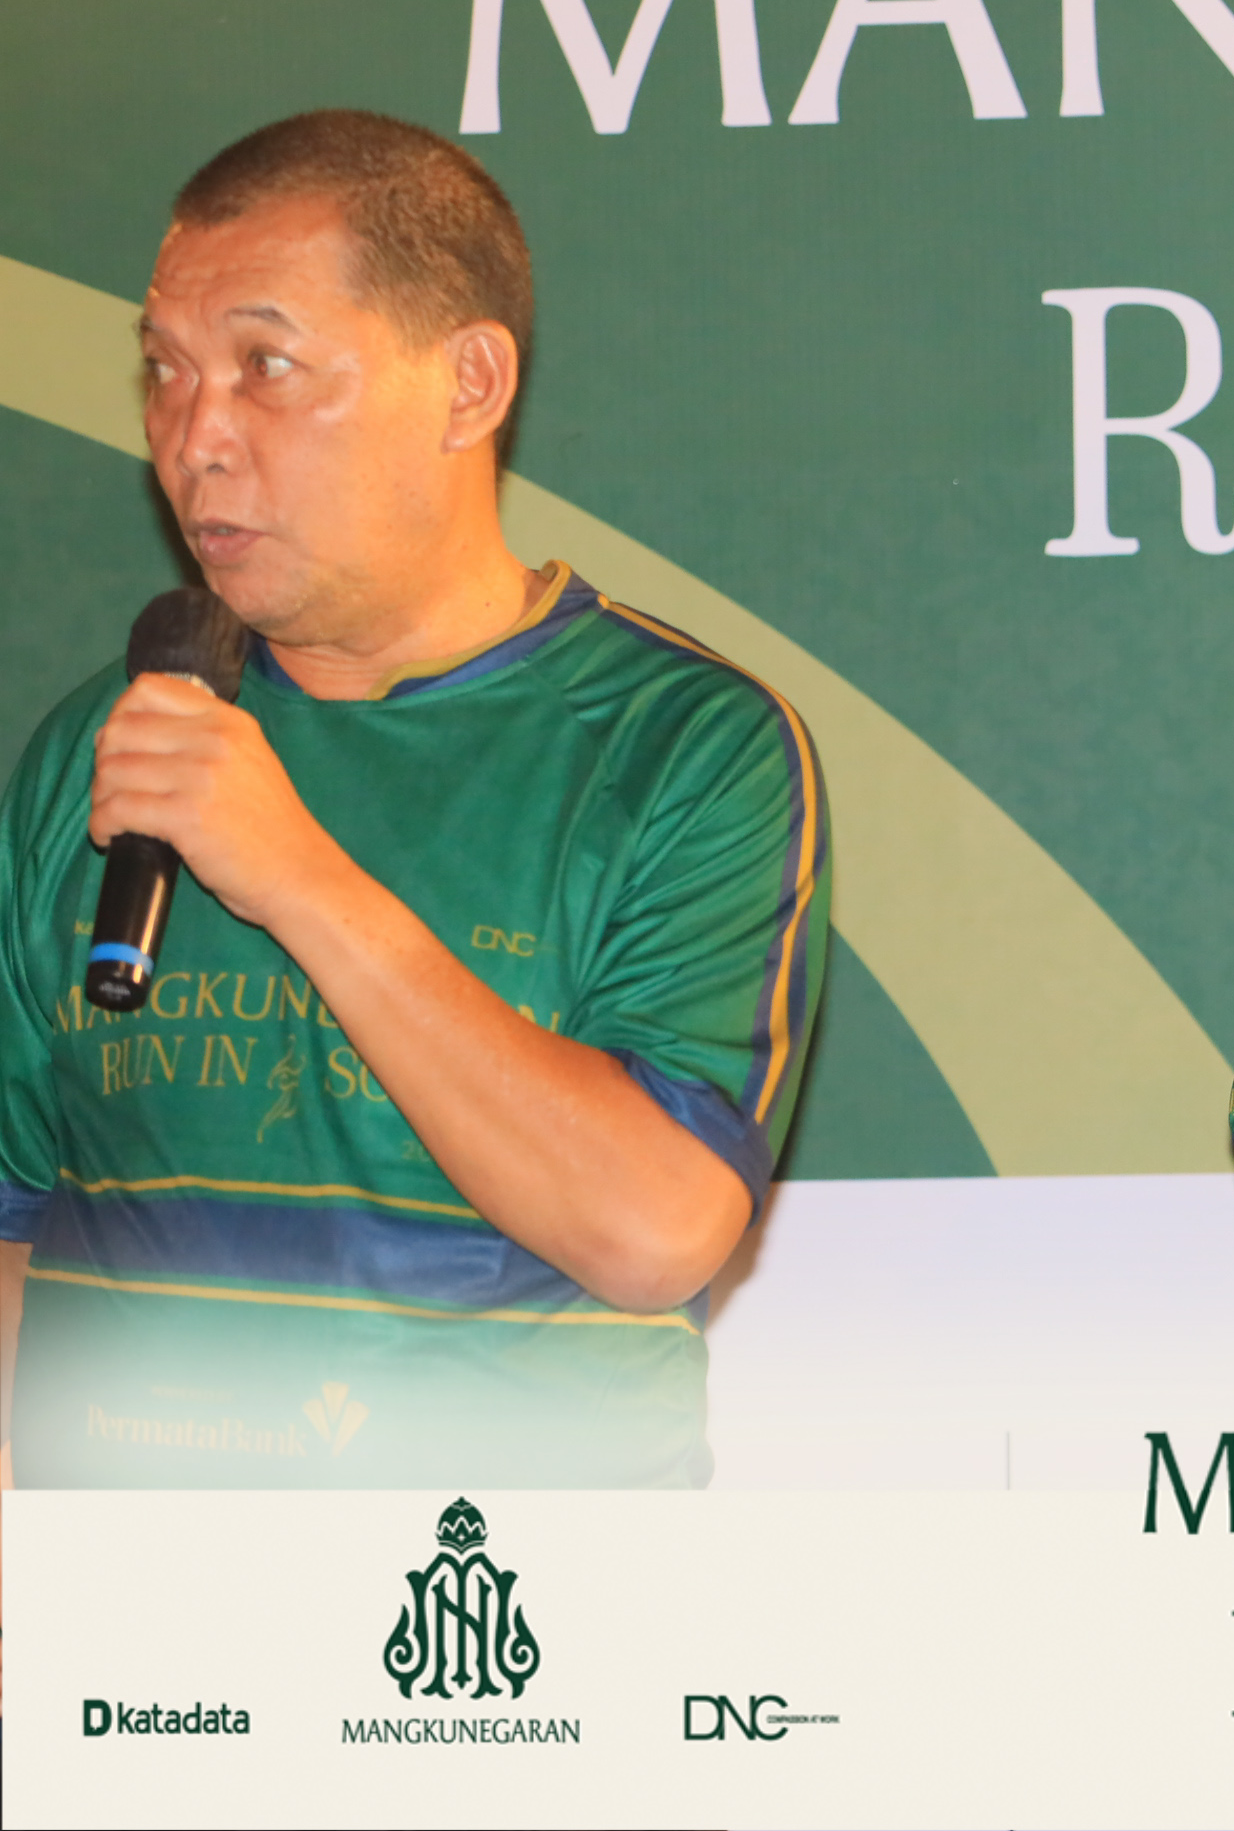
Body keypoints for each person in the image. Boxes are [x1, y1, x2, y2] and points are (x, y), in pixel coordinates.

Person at [0, 111, 827, 1487]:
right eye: (165, 370)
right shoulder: (107, 742)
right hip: (140, 1600)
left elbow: (654, 1231)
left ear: (468, 384)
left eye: (266, 366)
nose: (196, 437)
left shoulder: (682, 745)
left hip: (513, 1600)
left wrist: (296, 874)